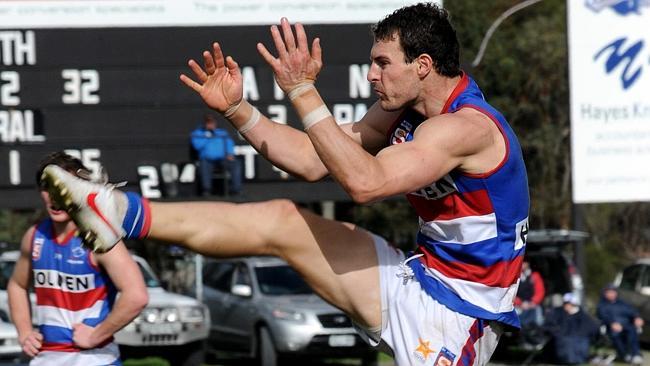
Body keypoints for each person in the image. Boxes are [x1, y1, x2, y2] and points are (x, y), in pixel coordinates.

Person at [41, 3, 529, 365]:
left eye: (383, 62)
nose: (371, 74)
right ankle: (117, 211)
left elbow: (365, 182)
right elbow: (314, 161)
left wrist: (301, 90)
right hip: (418, 277)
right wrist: (239, 111)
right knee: (280, 219)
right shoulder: (400, 110)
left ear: (422, 65)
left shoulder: (466, 127)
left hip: (463, 312)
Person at [6, 152, 149, 366]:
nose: (54, 196)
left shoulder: (98, 237)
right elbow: (17, 285)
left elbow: (137, 296)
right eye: (47, 187)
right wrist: (25, 332)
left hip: (95, 359)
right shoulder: (34, 236)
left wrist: (96, 335)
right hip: (46, 359)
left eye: (62, 186)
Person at [190, 113, 242, 196]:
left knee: (235, 163)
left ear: (215, 123)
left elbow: (229, 143)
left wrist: (230, 153)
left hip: (222, 159)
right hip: (207, 160)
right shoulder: (198, 134)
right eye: (208, 122)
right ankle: (206, 190)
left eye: (212, 122)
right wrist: (207, 137)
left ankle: (236, 190)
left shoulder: (222, 133)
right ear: (204, 123)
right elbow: (197, 146)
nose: (210, 124)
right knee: (204, 166)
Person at [543, 293, 599, 365]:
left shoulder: (582, 315)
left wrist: (578, 334)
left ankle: (575, 360)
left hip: (578, 339)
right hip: (561, 339)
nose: (568, 306)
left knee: (578, 341)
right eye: (566, 304)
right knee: (567, 341)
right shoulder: (557, 312)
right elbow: (549, 326)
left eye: (570, 304)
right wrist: (558, 332)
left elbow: (591, 327)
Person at [597, 284, 644, 365]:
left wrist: (637, 317)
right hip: (611, 327)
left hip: (627, 325)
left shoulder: (623, 303)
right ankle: (625, 354)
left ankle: (635, 354)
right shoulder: (602, 305)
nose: (611, 294)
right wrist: (612, 323)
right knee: (615, 334)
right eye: (609, 292)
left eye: (613, 292)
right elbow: (602, 316)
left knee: (632, 331)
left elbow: (632, 312)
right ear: (605, 293)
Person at [514, 260, 546, 346]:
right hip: (517, 305)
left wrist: (532, 302)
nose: (523, 264)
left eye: (525, 262)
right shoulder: (515, 276)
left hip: (533, 305)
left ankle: (536, 339)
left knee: (538, 319)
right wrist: (520, 303)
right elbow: (511, 292)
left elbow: (540, 292)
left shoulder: (535, 276)